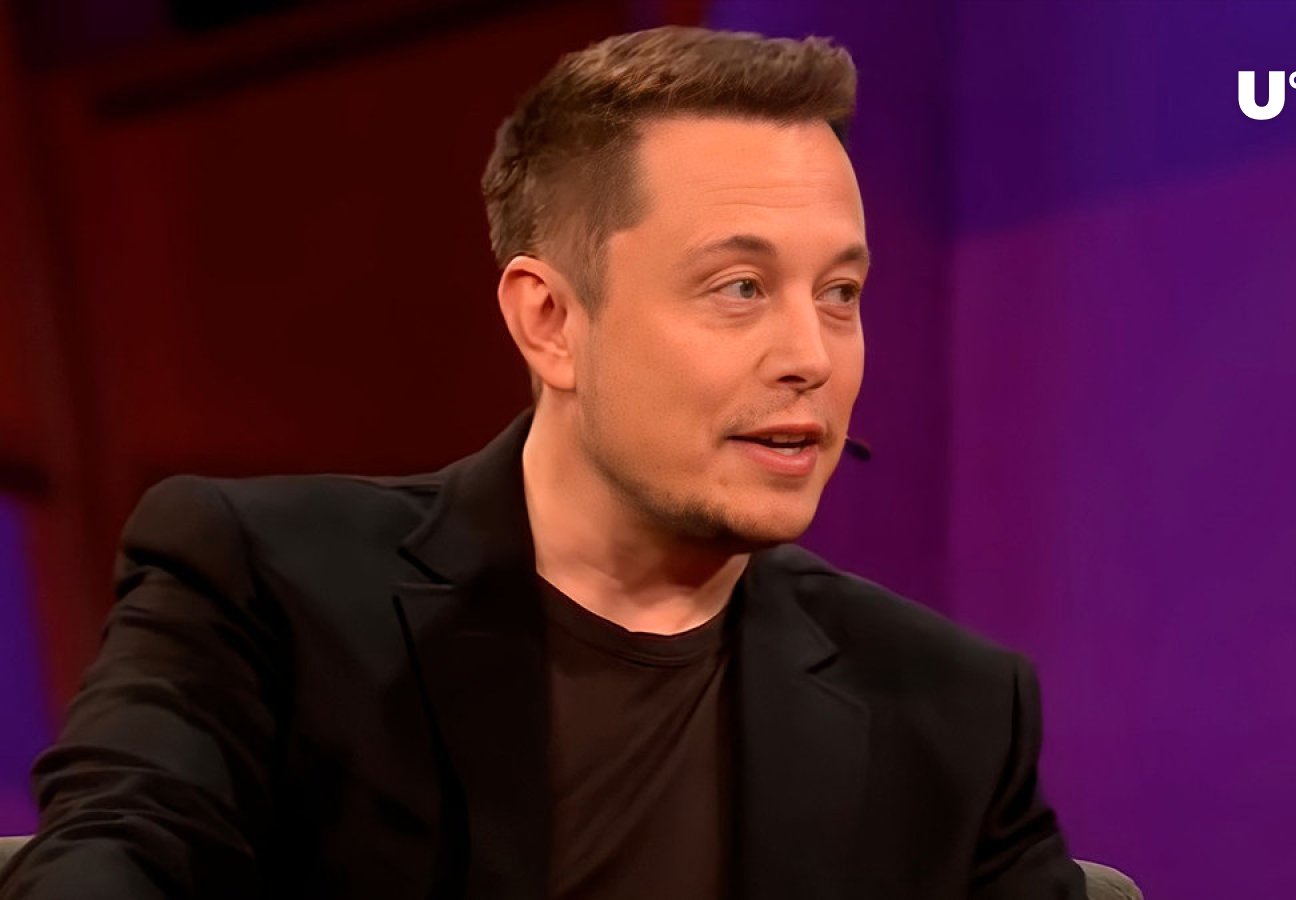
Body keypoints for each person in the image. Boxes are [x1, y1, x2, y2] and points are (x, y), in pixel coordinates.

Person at [0, 26, 1085, 900]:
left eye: (840, 293)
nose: (812, 356)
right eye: (740, 288)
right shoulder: (262, 590)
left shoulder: (948, 710)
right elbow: (110, 859)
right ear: (551, 321)